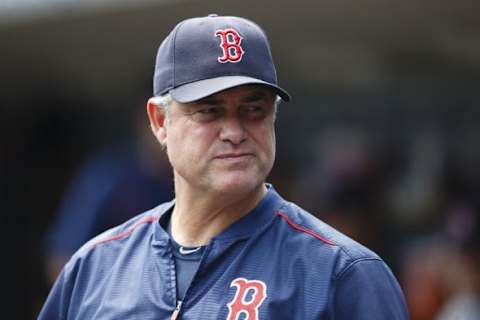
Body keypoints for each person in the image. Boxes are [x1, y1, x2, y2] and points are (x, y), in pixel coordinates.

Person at [38, 14, 408, 319]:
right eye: (209, 110)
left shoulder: (341, 275)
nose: (234, 132)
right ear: (159, 122)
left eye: (253, 109)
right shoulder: (94, 269)